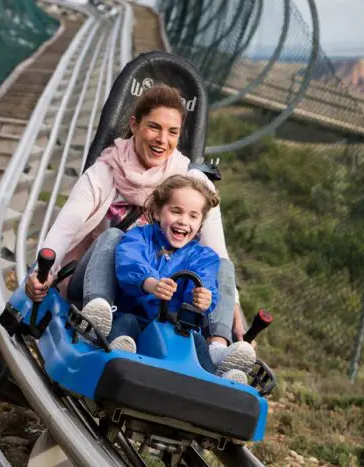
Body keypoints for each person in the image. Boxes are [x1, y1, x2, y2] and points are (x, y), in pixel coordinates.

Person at [25, 83, 255, 375]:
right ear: (134, 124)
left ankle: (216, 355)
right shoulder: (104, 172)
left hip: (163, 296)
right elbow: (66, 228)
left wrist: (235, 321)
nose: (162, 139)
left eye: (172, 132)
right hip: (101, 281)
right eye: (154, 127)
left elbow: (217, 256)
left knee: (216, 266)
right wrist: (41, 273)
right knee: (114, 236)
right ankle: (98, 316)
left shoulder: (191, 183)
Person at [75, 174, 249, 384]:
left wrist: (203, 298)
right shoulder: (139, 237)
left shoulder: (202, 256)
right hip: (131, 313)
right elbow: (129, 263)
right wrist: (150, 283)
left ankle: (220, 378)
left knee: (194, 341)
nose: (183, 221)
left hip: (171, 327)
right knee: (126, 323)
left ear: (200, 223)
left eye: (193, 216)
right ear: (157, 212)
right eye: (176, 211)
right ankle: (116, 351)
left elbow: (205, 281)